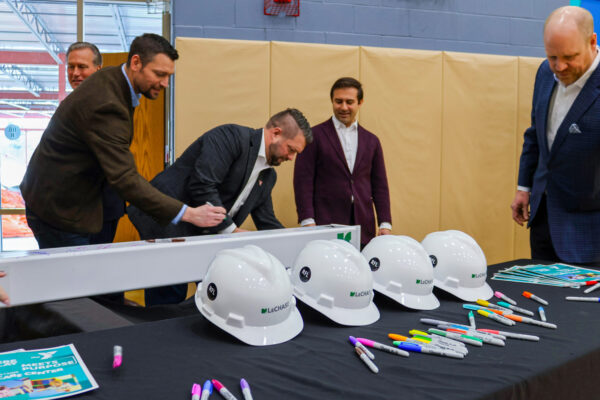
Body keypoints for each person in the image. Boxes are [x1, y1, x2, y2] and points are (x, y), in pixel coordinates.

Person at [20, 33, 226, 250]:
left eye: (169, 76)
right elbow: (125, 179)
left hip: (71, 201)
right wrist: (188, 213)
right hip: (57, 209)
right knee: (77, 281)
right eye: (159, 74)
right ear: (136, 62)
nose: (165, 83)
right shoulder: (107, 103)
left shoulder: (114, 80)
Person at [128, 108, 312, 305]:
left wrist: (294, 249)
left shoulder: (268, 176)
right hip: (168, 220)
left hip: (203, 235)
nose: (292, 158)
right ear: (276, 133)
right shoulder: (231, 137)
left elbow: (266, 221)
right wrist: (231, 230)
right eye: (291, 149)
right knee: (170, 294)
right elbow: (202, 185)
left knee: (210, 292)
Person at [511, 6, 600, 264]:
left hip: (589, 231)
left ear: (592, 42)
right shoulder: (544, 73)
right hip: (543, 220)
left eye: (569, 57)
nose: (559, 66)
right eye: (552, 57)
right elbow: (535, 135)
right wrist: (524, 188)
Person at [293, 77, 391, 248]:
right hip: (324, 226)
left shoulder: (372, 141)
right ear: (332, 101)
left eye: (349, 102)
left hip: (363, 227)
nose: (344, 107)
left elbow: (380, 185)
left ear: (360, 103)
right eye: (338, 101)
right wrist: (307, 221)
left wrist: (385, 224)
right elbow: (303, 182)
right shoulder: (313, 136)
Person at [66, 41, 125, 245]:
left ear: (98, 69)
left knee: (94, 270)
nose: (75, 73)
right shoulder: (68, 106)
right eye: (71, 66)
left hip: (101, 210)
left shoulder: (107, 106)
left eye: (82, 67)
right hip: (71, 211)